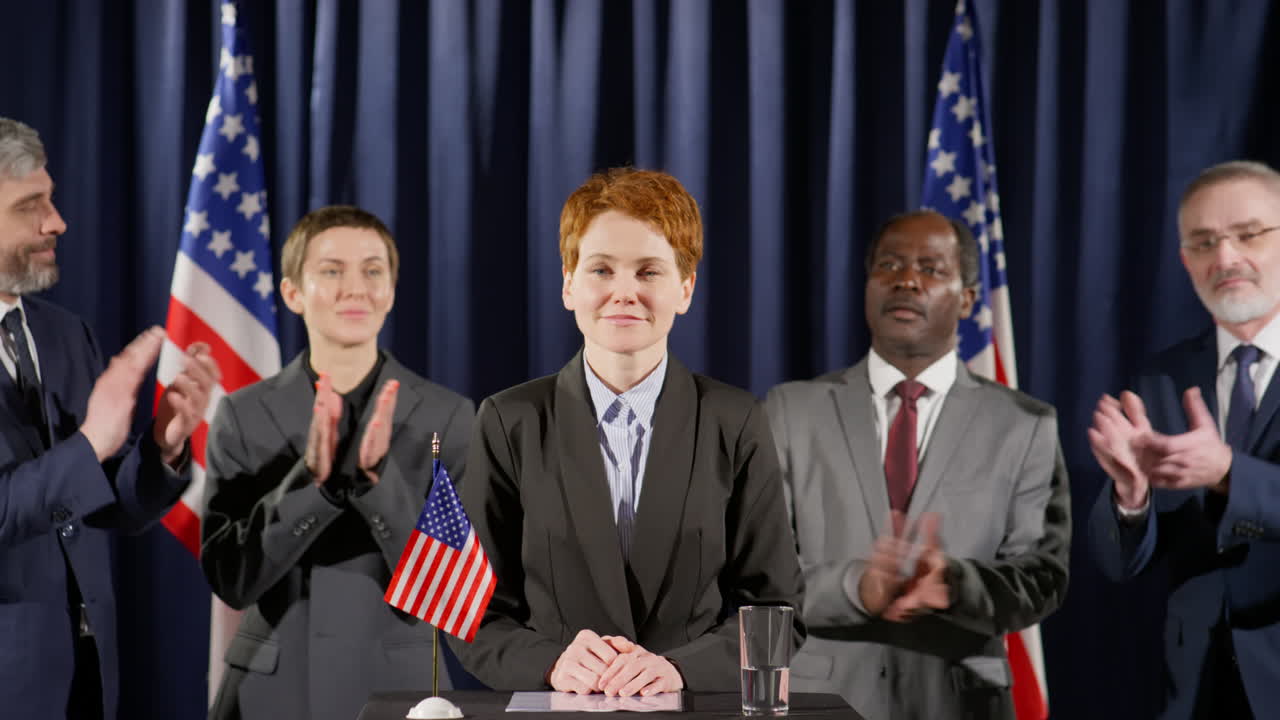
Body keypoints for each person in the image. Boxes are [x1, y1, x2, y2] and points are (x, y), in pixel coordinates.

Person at [448, 167, 804, 697]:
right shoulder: (509, 419)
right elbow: (470, 610)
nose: (624, 292)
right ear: (569, 284)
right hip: (556, 709)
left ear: (685, 288)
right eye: (601, 270)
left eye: (648, 271)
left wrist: (681, 669)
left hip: (688, 709)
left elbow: (778, 613)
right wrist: (550, 664)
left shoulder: (735, 420)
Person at [764, 209, 1070, 719]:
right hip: (822, 702)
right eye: (890, 265)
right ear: (868, 284)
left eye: (930, 268)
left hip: (962, 700)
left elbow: (1042, 577)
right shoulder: (790, 411)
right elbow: (762, 575)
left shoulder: (1024, 424)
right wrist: (858, 587)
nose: (906, 280)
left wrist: (954, 585)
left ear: (968, 298)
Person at [200, 206, 475, 720]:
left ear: (391, 291)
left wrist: (376, 487)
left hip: (401, 694)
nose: (356, 287)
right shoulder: (241, 414)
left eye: (373, 271)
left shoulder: (450, 416)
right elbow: (231, 579)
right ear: (292, 293)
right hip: (272, 695)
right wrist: (315, 488)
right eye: (331, 271)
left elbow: (453, 593)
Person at [0, 116, 220, 720]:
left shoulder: (64, 333)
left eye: (52, 200)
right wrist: (93, 441)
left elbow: (104, 506)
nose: (56, 222)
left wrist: (164, 443)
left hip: (86, 681)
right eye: (31, 206)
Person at [1088, 160, 1280, 719]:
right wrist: (1130, 498)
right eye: (1203, 242)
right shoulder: (1161, 378)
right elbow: (1119, 564)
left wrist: (1226, 472)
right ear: (1185, 260)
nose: (1225, 258)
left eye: (1248, 234)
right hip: (1195, 687)